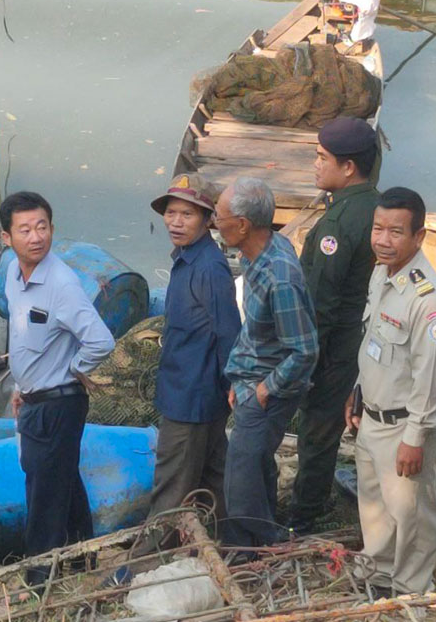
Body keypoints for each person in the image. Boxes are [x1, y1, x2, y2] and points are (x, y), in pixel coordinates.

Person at [0, 191, 115, 585]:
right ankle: (84, 557)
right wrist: (21, 384)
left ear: (53, 229)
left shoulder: (62, 284)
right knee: (61, 477)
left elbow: (101, 340)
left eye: (43, 227)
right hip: (33, 398)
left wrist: (75, 369)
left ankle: (38, 582)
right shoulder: (14, 276)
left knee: (43, 494)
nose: (36, 237)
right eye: (25, 230)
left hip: (59, 403)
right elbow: (22, 335)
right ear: (6, 238)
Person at [345, 187, 436, 596]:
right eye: (378, 229)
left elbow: (428, 378)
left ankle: (410, 594)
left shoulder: (429, 302)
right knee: (374, 509)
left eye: (395, 232)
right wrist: (357, 391)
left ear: (419, 237)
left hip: (404, 427)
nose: (383, 240)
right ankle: (378, 577)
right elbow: (373, 342)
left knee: (412, 518)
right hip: (371, 417)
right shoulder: (381, 274)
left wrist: (415, 439)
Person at [216, 177, 319, 553]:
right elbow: (259, 335)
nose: (215, 221)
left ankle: (248, 553)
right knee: (257, 465)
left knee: (240, 477)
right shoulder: (256, 254)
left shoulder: (280, 277)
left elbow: (305, 350)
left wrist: (263, 389)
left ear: (243, 224)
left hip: (267, 391)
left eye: (220, 216)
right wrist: (238, 380)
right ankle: (267, 538)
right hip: (249, 381)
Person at [290, 116, 380, 533]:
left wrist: (306, 359)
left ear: (348, 167)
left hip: (336, 345)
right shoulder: (376, 207)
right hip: (365, 338)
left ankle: (305, 515)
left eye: (322, 158)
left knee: (318, 430)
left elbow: (321, 301)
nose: (315, 165)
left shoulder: (339, 224)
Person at [140, 174, 240, 547]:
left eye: (187, 214)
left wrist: (233, 385)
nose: (175, 222)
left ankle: (142, 563)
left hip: (192, 397)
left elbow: (228, 333)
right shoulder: (185, 259)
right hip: (188, 389)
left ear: (207, 219)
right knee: (215, 478)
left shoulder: (209, 269)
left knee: (172, 486)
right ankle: (235, 546)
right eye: (171, 213)